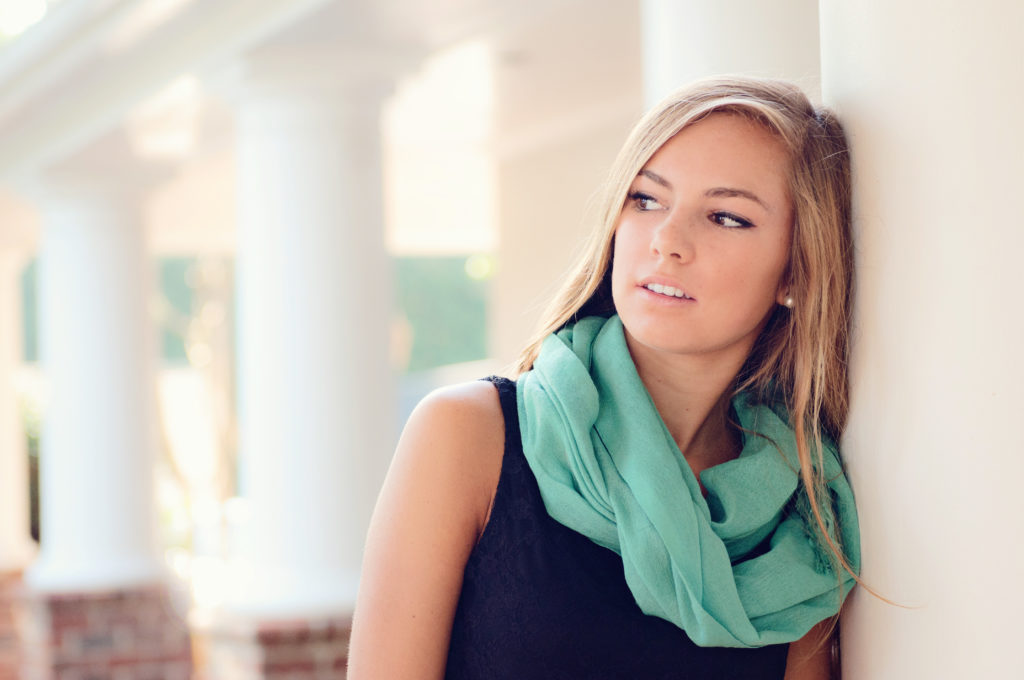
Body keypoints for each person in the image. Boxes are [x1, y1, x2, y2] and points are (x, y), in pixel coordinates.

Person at [348, 76, 860, 680]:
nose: (667, 240)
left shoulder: (802, 516)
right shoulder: (468, 436)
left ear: (796, 271)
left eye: (725, 217)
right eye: (646, 200)